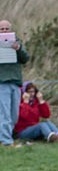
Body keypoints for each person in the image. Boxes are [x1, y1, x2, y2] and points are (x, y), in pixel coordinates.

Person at [0, 18, 29, 148]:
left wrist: (18, 49)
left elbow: (25, 59)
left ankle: (6, 136)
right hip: (2, 82)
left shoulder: (16, 42)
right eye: (2, 29)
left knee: (13, 115)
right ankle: (6, 141)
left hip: (15, 82)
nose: (4, 31)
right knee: (4, 113)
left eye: (6, 29)